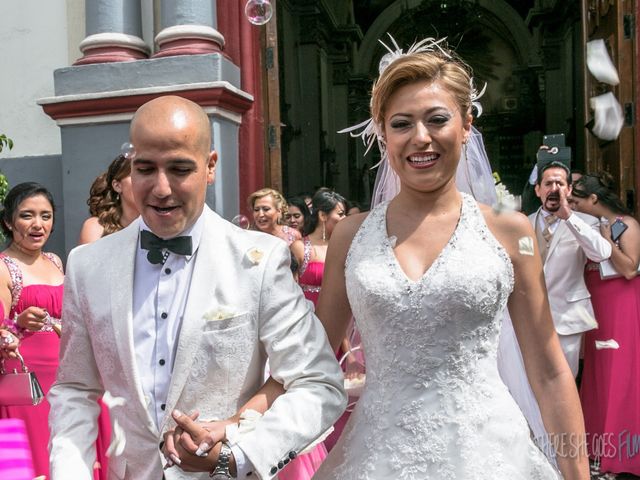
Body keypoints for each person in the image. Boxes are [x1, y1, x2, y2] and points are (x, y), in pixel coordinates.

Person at [313, 39, 589, 479]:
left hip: (488, 456)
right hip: (378, 458)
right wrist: (243, 427)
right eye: (401, 123)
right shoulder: (350, 235)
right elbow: (314, 359)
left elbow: (550, 372)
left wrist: (578, 474)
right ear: (383, 133)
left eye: (437, 119)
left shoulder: (510, 231)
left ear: (466, 124)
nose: (420, 137)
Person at [48, 95, 346, 480]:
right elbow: (74, 388)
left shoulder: (259, 260)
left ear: (210, 166)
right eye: (145, 169)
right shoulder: (87, 265)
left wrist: (238, 455)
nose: (160, 188)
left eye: (179, 169)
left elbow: (319, 382)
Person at [570, 173, 640, 477]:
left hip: (621, 302)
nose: (572, 205)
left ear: (594, 200)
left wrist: (607, 242)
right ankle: (596, 449)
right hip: (594, 304)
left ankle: (624, 453)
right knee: (597, 374)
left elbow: (629, 268)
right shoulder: (582, 224)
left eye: (577, 200)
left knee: (620, 373)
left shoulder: (628, 224)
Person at [0, 183, 71, 479]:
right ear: (8, 221)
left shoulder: (55, 261)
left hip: (66, 374)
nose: (38, 225)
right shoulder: (4, 266)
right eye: (27, 216)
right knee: (36, 459)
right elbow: (2, 328)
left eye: (46, 216)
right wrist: (17, 324)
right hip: (26, 381)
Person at [530, 160, 611, 376]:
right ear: (538, 189)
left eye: (559, 183)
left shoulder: (586, 222)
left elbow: (602, 253)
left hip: (567, 316)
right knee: (529, 382)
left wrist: (570, 219)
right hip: (528, 318)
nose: (554, 189)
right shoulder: (523, 224)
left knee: (565, 379)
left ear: (569, 189)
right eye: (548, 183)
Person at [289, 188, 354, 453]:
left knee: (341, 383)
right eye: (340, 214)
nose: (344, 218)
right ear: (323, 215)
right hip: (306, 322)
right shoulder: (298, 246)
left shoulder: (344, 246)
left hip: (338, 320)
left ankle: (337, 442)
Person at [78, 154, 139, 244]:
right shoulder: (97, 228)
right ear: (117, 186)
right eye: (136, 175)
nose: (144, 183)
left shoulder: (160, 226)